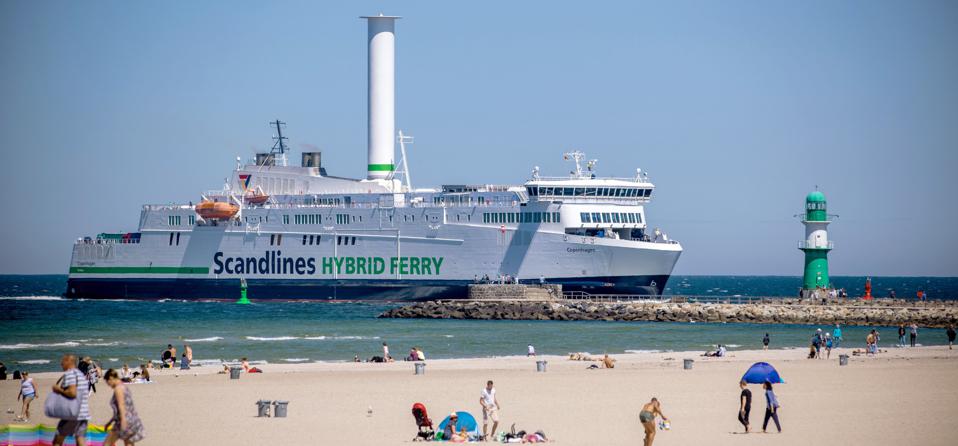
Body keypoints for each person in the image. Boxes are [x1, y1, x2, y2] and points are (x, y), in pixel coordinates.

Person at [52, 354, 91, 446]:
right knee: (80, 440)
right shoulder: (81, 376)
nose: (61, 363)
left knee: (57, 441)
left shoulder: (70, 375)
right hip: (83, 412)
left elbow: (72, 393)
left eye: (63, 361)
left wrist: (59, 390)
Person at [103, 369, 145, 446]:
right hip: (132, 420)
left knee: (107, 444)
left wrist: (123, 421)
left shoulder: (118, 389)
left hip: (124, 421)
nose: (108, 385)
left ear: (111, 378)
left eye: (107, 382)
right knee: (128, 443)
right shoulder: (124, 386)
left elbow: (121, 405)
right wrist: (110, 422)